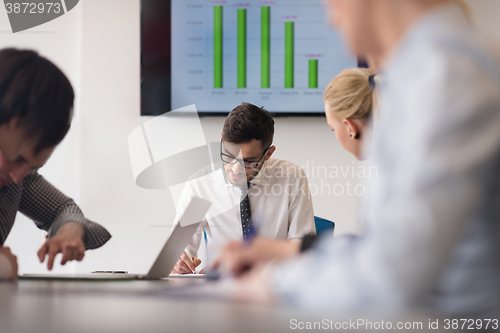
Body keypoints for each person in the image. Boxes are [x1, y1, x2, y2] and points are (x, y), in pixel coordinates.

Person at [214, 0, 500, 320]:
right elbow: (384, 249)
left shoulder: (448, 76)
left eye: (332, 3)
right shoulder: (419, 76)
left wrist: (275, 281)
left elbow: (394, 272)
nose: (331, 20)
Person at [214, 68, 376, 276]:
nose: (236, 168)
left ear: (350, 128)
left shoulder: (292, 177)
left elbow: (372, 261)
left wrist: (262, 255)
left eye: (332, 129)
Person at [0, 48, 111, 280]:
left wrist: (70, 231)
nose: (19, 177)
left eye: (32, 167)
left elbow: (64, 210)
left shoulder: (14, 178)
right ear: (12, 123)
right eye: (18, 159)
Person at [171, 103, 315, 274]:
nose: (235, 169)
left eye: (248, 162)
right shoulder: (200, 184)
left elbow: (303, 251)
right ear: (222, 140)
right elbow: (177, 251)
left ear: (268, 154)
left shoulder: (292, 178)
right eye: (229, 156)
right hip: (221, 291)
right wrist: (179, 260)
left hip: (274, 287)